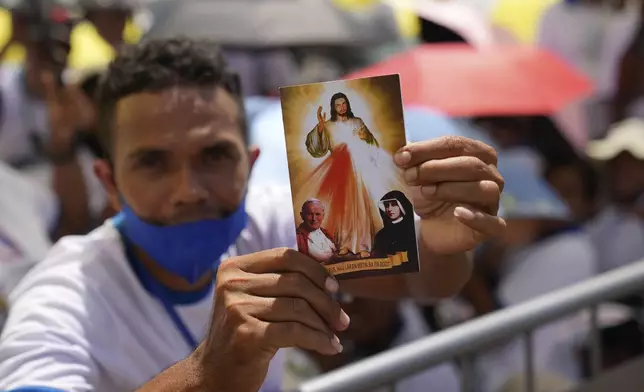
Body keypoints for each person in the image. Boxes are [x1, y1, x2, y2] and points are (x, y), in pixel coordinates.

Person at [0, 38, 505, 391]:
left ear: (251, 162)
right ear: (108, 184)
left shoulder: (272, 225)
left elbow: (423, 283)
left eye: (214, 157)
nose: (189, 191)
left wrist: (443, 236)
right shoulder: (62, 295)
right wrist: (207, 376)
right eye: (152, 162)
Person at [303, 92, 405, 258]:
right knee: (343, 209)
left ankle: (363, 245)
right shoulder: (328, 125)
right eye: (338, 105)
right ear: (333, 107)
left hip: (357, 170)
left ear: (347, 104)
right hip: (339, 171)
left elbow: (372, 143)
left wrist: (365, 137)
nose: (341, 107)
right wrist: (320, 127)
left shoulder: (357, 122)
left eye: (344, 103)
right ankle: (345, 244)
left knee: (360, 207)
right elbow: (316, 149)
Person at [373, 190, 418, 267]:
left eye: (393, 205)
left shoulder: (414, 230)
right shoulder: (380, 235)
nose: (389, 209)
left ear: (401, 206)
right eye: (387, 205)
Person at [296, 199, 337, 263]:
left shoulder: (327, 233)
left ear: (323, 215)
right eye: (309, 214)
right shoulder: (297, 238)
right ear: (302, 215)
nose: (314, 219)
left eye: (317, 214)